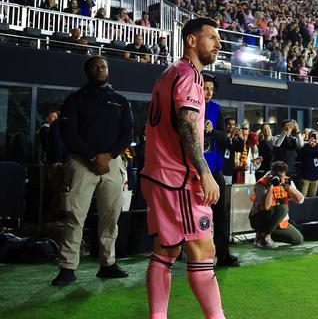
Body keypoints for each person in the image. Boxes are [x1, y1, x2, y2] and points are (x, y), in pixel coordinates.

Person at [139, 17, 226, 319]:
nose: (219, 44)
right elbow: (187, 128)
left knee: (166, 251)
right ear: (191, 40)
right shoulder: (189, 74)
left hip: (158, 174)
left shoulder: (170, 72)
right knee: (203, 252)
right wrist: (204, 172)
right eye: (212, 37)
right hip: (177, 179)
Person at [51, 56, 133, 286]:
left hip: (112, 162)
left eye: (104, 65)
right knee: (75, 216)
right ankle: (67, 268)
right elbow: (69, 134)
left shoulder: (120, 100)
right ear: (87, 71)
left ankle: (108, 264)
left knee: (111, 216)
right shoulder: (74, 100)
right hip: (81, 163)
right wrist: (92, 156)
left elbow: (128, 132)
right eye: (96, 66)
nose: (100, 69)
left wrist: (109, 156)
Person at [201, 71, 239, 267]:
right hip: (193, 169)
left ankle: (223, 254)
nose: (208, 93)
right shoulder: (187, 107)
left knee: (220, 212)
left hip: (214, 169)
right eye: (205, 88)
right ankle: (184, 251)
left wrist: (212, 131)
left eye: (211, 90)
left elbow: (225, 139)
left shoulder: (216, 109)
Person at [250, 161, 305, 248]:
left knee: (298, 239)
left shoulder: (287, 182)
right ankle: (264, 236)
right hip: (260, 218)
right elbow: (266, 207)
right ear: (272, 173)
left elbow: (301, 200)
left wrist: (291, 189)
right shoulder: (261, 184)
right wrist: (270, 188)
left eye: (282, 176)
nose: (280, 179)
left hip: (279, 221)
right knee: (283, 208)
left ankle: (265, 235)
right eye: (278, 176)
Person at [297, 130, 318, 197]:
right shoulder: (305, 148)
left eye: (314, 141)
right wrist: (308, 143)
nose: (313, 142)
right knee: (302, 197)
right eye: (312, 140)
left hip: (315, 178)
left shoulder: (317, 148)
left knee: (312, 197)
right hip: (305, 177)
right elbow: (303, 152)